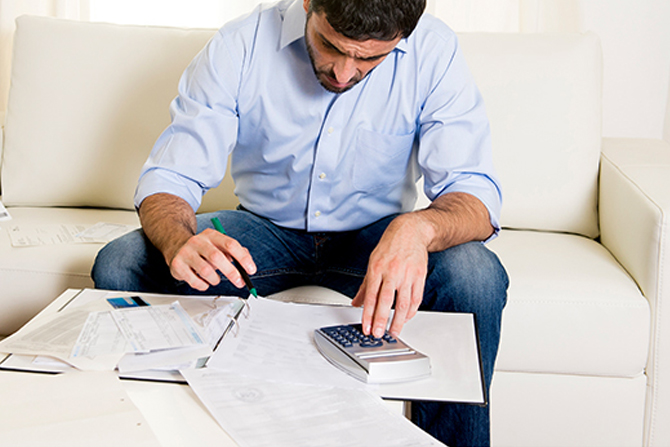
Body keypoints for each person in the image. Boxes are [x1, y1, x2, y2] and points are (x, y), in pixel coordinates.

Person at [92, 0, 509, 444]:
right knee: (123, 263)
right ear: (309, 4)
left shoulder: (434, 51)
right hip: (263, 234)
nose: (345, 73)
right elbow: (172, 176)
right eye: (331, 46)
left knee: (475, 275)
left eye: (370, 57)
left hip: (376, 240)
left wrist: (417, 228)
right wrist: (178, 241)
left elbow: (475, 195)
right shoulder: (241, 43)